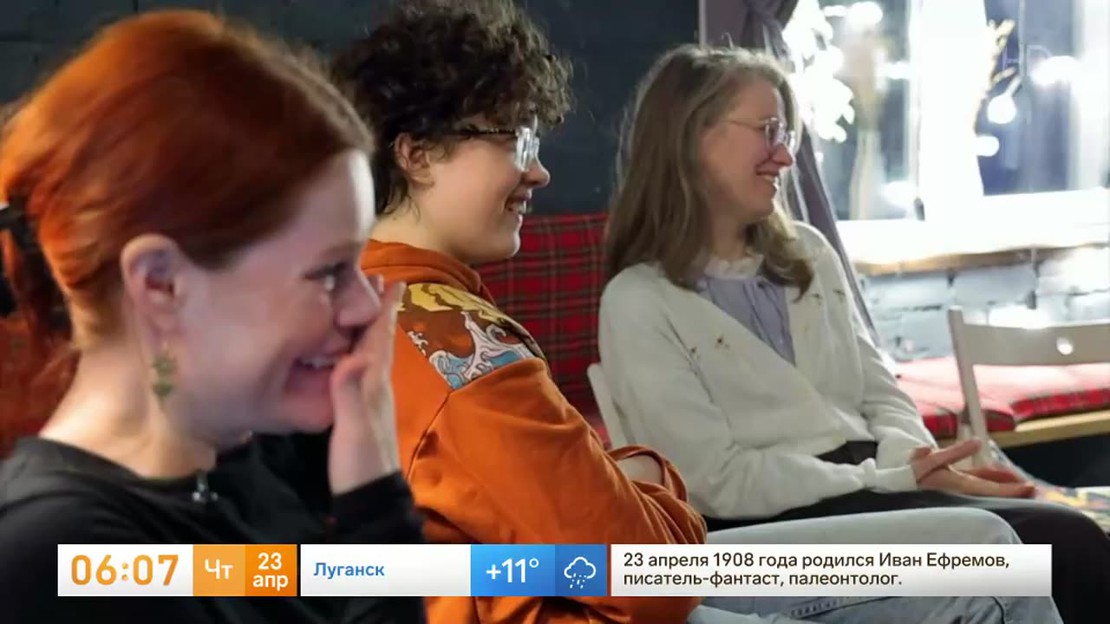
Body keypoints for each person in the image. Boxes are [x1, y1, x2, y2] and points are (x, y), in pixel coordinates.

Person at [334, 3, 1060, 623]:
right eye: (514, 140)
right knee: (1000, 568)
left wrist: (623, 485)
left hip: (586, 583)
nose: (539, 170)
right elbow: (646, 570)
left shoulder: (364, 306)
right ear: (417, 155)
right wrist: (646, 475)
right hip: (611, 595)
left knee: (991, 547)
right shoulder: (454, 342)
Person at [598, 43, 1110, 624]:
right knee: (1052, 549)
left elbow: (881, 394)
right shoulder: (639, 301)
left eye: (786, 134)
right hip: (772, 530)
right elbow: (714, 483)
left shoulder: (809, 254)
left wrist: (910, 460)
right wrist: (886, 478)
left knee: (1069, 538)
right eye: (768, 131)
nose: (784, 156)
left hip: (878, 487)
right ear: (691, 137)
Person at [0, 10, 424, 624]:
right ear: (161, 283)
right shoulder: (56, 562)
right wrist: (375, 505)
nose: (364, 305)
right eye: (328, 272)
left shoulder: (257, 463)